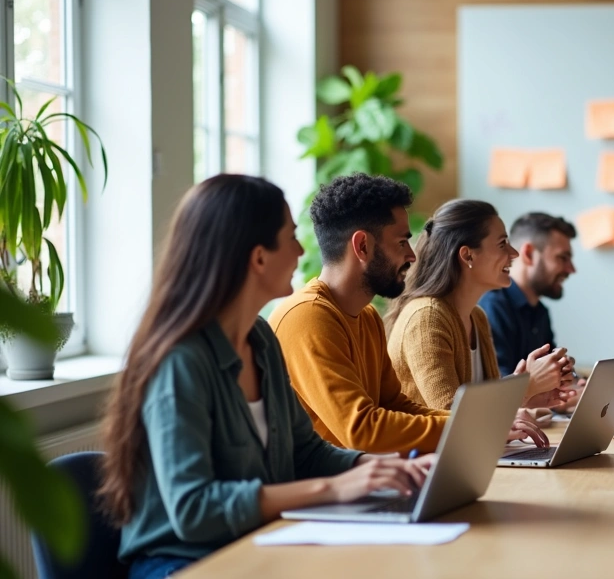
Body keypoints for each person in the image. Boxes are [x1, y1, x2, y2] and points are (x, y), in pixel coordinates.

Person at [98, 176, 434, 579]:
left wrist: (381, 468)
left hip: (258, 544)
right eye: (290, 237)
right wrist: (332, 488)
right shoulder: (180, 361)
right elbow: (193, 510)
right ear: (259, 258)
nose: (301, 250)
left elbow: (306, 452)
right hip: (183, 563)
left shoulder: (259, 339)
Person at [269, 174, 545, 455]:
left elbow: (395, 405)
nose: (412, 256)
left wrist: (486, 422)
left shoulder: (367, 316)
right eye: (402, 242)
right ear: (362, 246)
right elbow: (361, 429)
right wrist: (480, 426)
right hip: (326, 481)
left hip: (370, 474)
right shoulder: (307, 317)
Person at [383, 200, 575, 410]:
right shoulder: (426, 318)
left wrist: (531, 397)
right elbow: (451, 413)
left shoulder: (477, 317)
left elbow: (486, 408)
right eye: (502, 244)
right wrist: (525, 387)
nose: (514, 253)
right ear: (468, 255)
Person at [479, 212, 586, 411]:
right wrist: (559, 399)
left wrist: (572, 384)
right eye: (562, 258)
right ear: (528, 254)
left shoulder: (540, 312)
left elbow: (554, 374)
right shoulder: (492, 308)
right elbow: (498, 388)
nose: (571, 269)